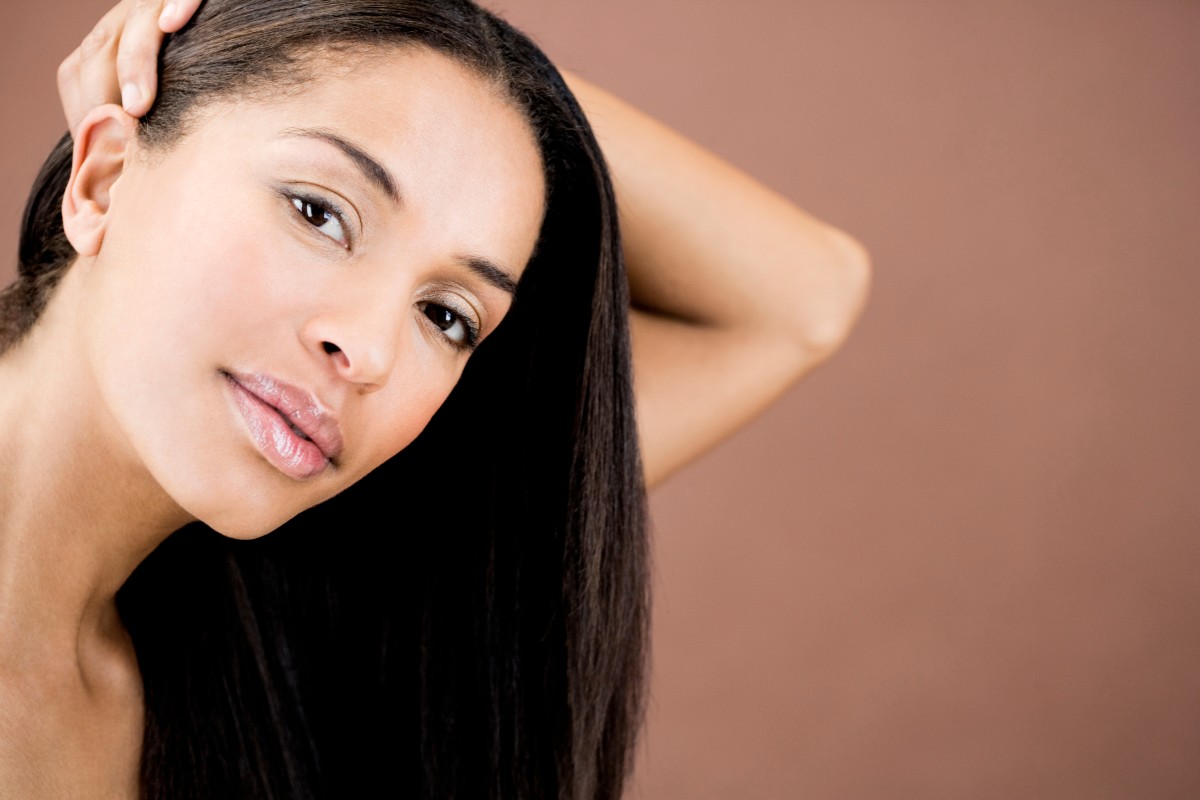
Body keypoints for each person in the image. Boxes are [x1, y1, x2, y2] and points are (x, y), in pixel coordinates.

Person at [0, 0, 869, 797]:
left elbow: (806, 300)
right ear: (103, 179)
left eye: (447, 315)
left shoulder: (297, 629)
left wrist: (455, 48)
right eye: (319, 212)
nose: (370, 350)